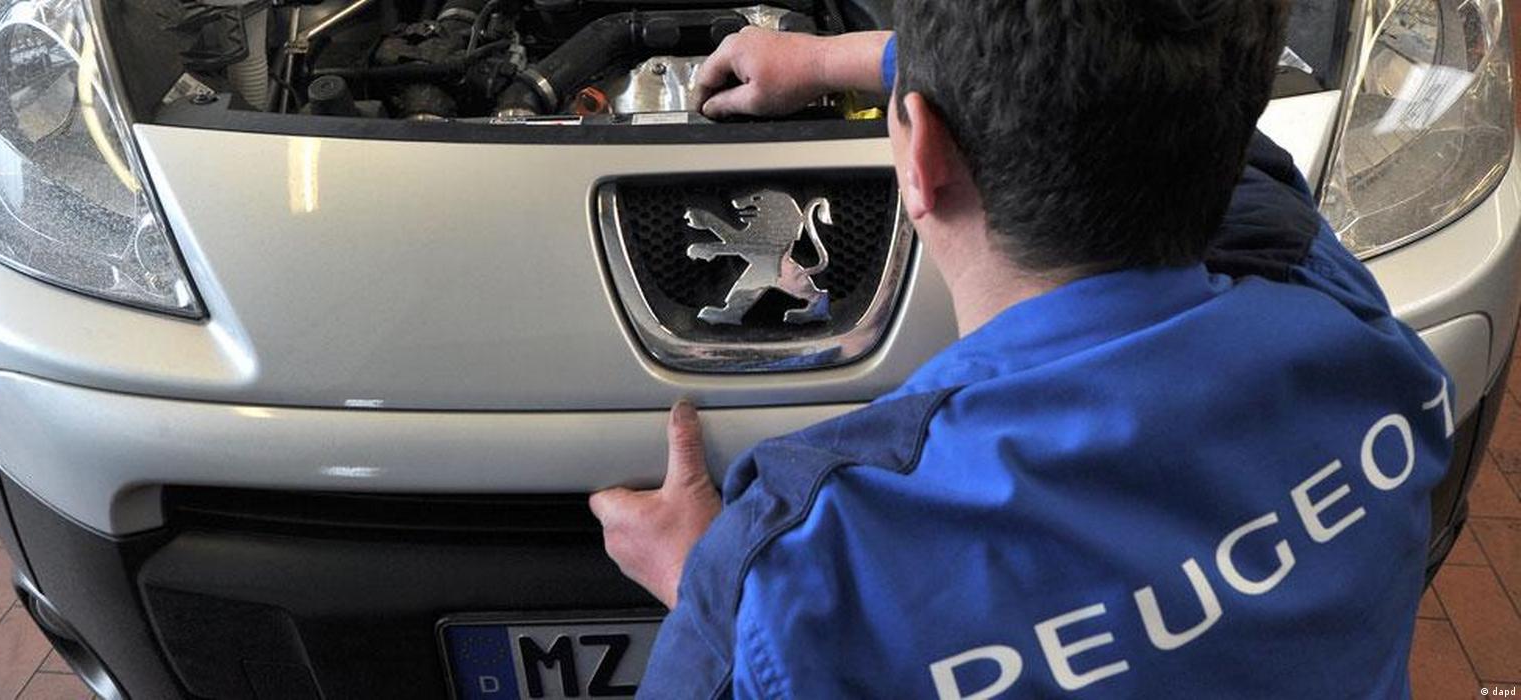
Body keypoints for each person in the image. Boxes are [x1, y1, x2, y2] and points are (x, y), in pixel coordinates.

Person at [588, 1, 1454, 697]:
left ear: (922, 156)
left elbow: (757, 643)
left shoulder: (798, 581)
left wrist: (704, 588)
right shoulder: (1353, 333)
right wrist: (826, 63)